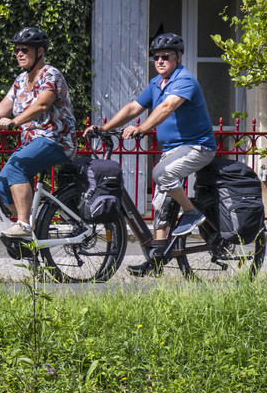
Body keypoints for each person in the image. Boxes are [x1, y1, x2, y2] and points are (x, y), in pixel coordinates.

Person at [86, 32, 216, 276]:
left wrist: (142, 128)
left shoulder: (184, 80)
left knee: (161, 173)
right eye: (155, 57)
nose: (159, 61)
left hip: (198, 147)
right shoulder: (156, 83)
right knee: (160, 206)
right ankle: (157, 259)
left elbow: (167, 107)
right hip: (172, 150)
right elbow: (133, 107)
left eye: (165, 56)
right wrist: (105, 128)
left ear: (178, 57)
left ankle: (192, 213)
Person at [0, 26, 78, 237]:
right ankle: (31, 232)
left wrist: (15, 121)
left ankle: (24, 224)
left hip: (55, 140)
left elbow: (42, 105)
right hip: (32, 143)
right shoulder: (20, 81)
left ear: (40, 51)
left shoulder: (50, 74)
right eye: (17, 50)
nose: (19, 54)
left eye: (25, 49)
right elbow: (0, 109)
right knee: (2, 184)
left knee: (18, 167)